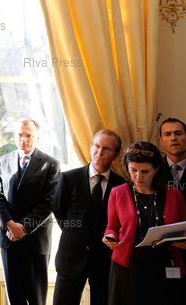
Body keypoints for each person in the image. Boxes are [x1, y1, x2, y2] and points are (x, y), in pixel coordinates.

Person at [103, 141, 186, 305]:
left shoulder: (174, 194)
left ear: (156, 169)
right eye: (133, 170)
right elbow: (111, 227)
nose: (138, 176)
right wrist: (110, 237)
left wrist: (185, 241)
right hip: (127, 267)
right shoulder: (117, 193)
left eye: (145, 171)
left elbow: (185, 230)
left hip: (165, 265)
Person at [53, 129, 125, 305]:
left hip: (104, 259)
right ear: (90, 147)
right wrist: (76, 231)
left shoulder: (121, 185)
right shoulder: (68, 178)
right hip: (71, 256)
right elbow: (59, 210)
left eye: (106, 149)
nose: (99, 152)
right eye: (97, 146)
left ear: (116, 155)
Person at [0, 119, 59, 305]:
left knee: (36, 298)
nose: (23, 139)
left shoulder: (50, 164)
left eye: (28, 135)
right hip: (8, 239)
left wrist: (23, 228)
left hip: (35, 241)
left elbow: (49, 201)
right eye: (20, 135)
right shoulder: (3, 161)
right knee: (15, 298)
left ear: (37, 137)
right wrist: (10, 224)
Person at [158, 118, 186, 302]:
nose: (173, 138)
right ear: (161, 141)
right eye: (167, 134)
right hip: (159, 254)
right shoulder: (149, 173)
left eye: (178, 133)